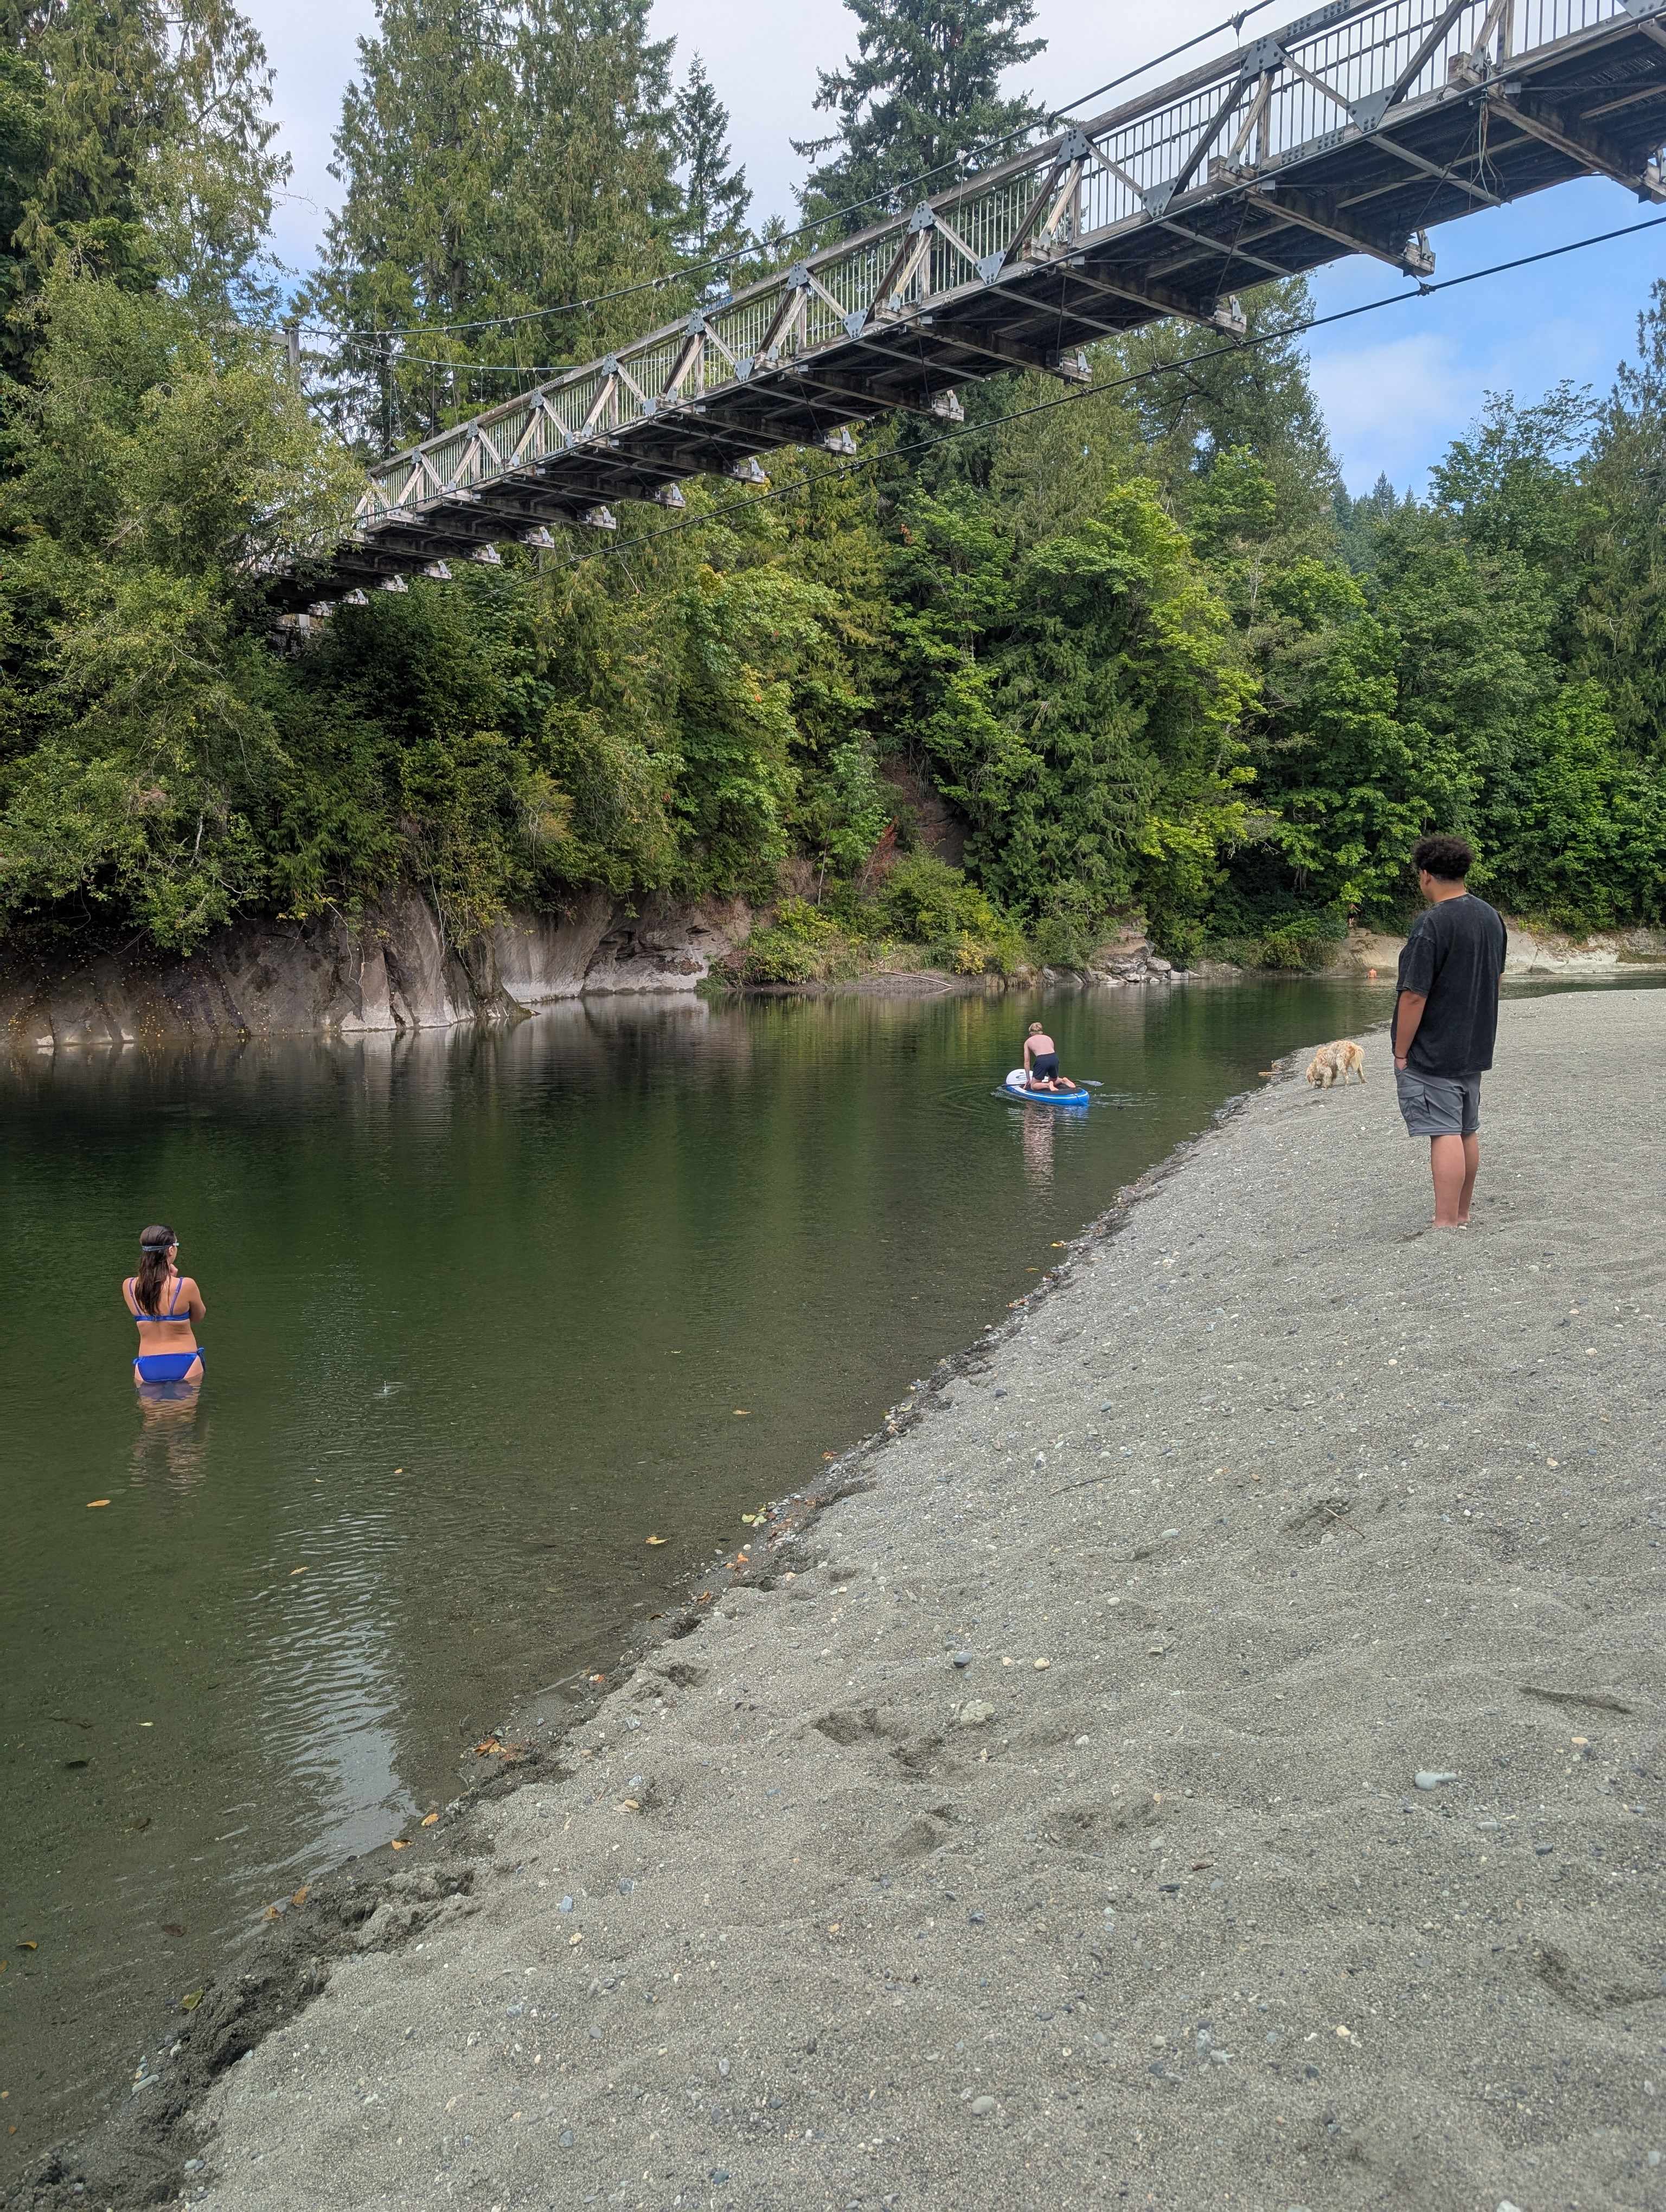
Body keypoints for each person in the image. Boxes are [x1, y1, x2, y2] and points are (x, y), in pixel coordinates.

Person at [1392, 834, 1507, 1230]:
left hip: (1435, 1047)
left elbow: (1413, 996)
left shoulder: (1431, 923)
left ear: (1426, 875)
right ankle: (1462, 1213)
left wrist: (1401, 1051)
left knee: (1443, 1132)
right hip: (1474, 1043)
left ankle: (1445, 1222)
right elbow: (1497, 977)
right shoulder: (1491, 916)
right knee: (1465, 1129)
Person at [123, 1225, 206, 1386]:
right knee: (183, 1413)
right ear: (170, 1250)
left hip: (147, 1364)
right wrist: (175, 1279)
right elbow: (198, 1317)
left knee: (156, 1413)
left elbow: (154, 1296)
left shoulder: (129, 1286)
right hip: (185, 1362)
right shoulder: (185, 1285)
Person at [1022, 1022, 1078, 1092]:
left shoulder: (1028, 1042)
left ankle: (1048, 1085)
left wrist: (1028, 1079)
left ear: (1031, 1033)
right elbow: (1051, 1053)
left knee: (1033, 1086)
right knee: (1054, 1080)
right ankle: (1063, 1081)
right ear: (1041, 1032)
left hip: (1042, 1060)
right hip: (1054, 1058)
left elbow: (1027, 1063)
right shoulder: (1049, 1038)